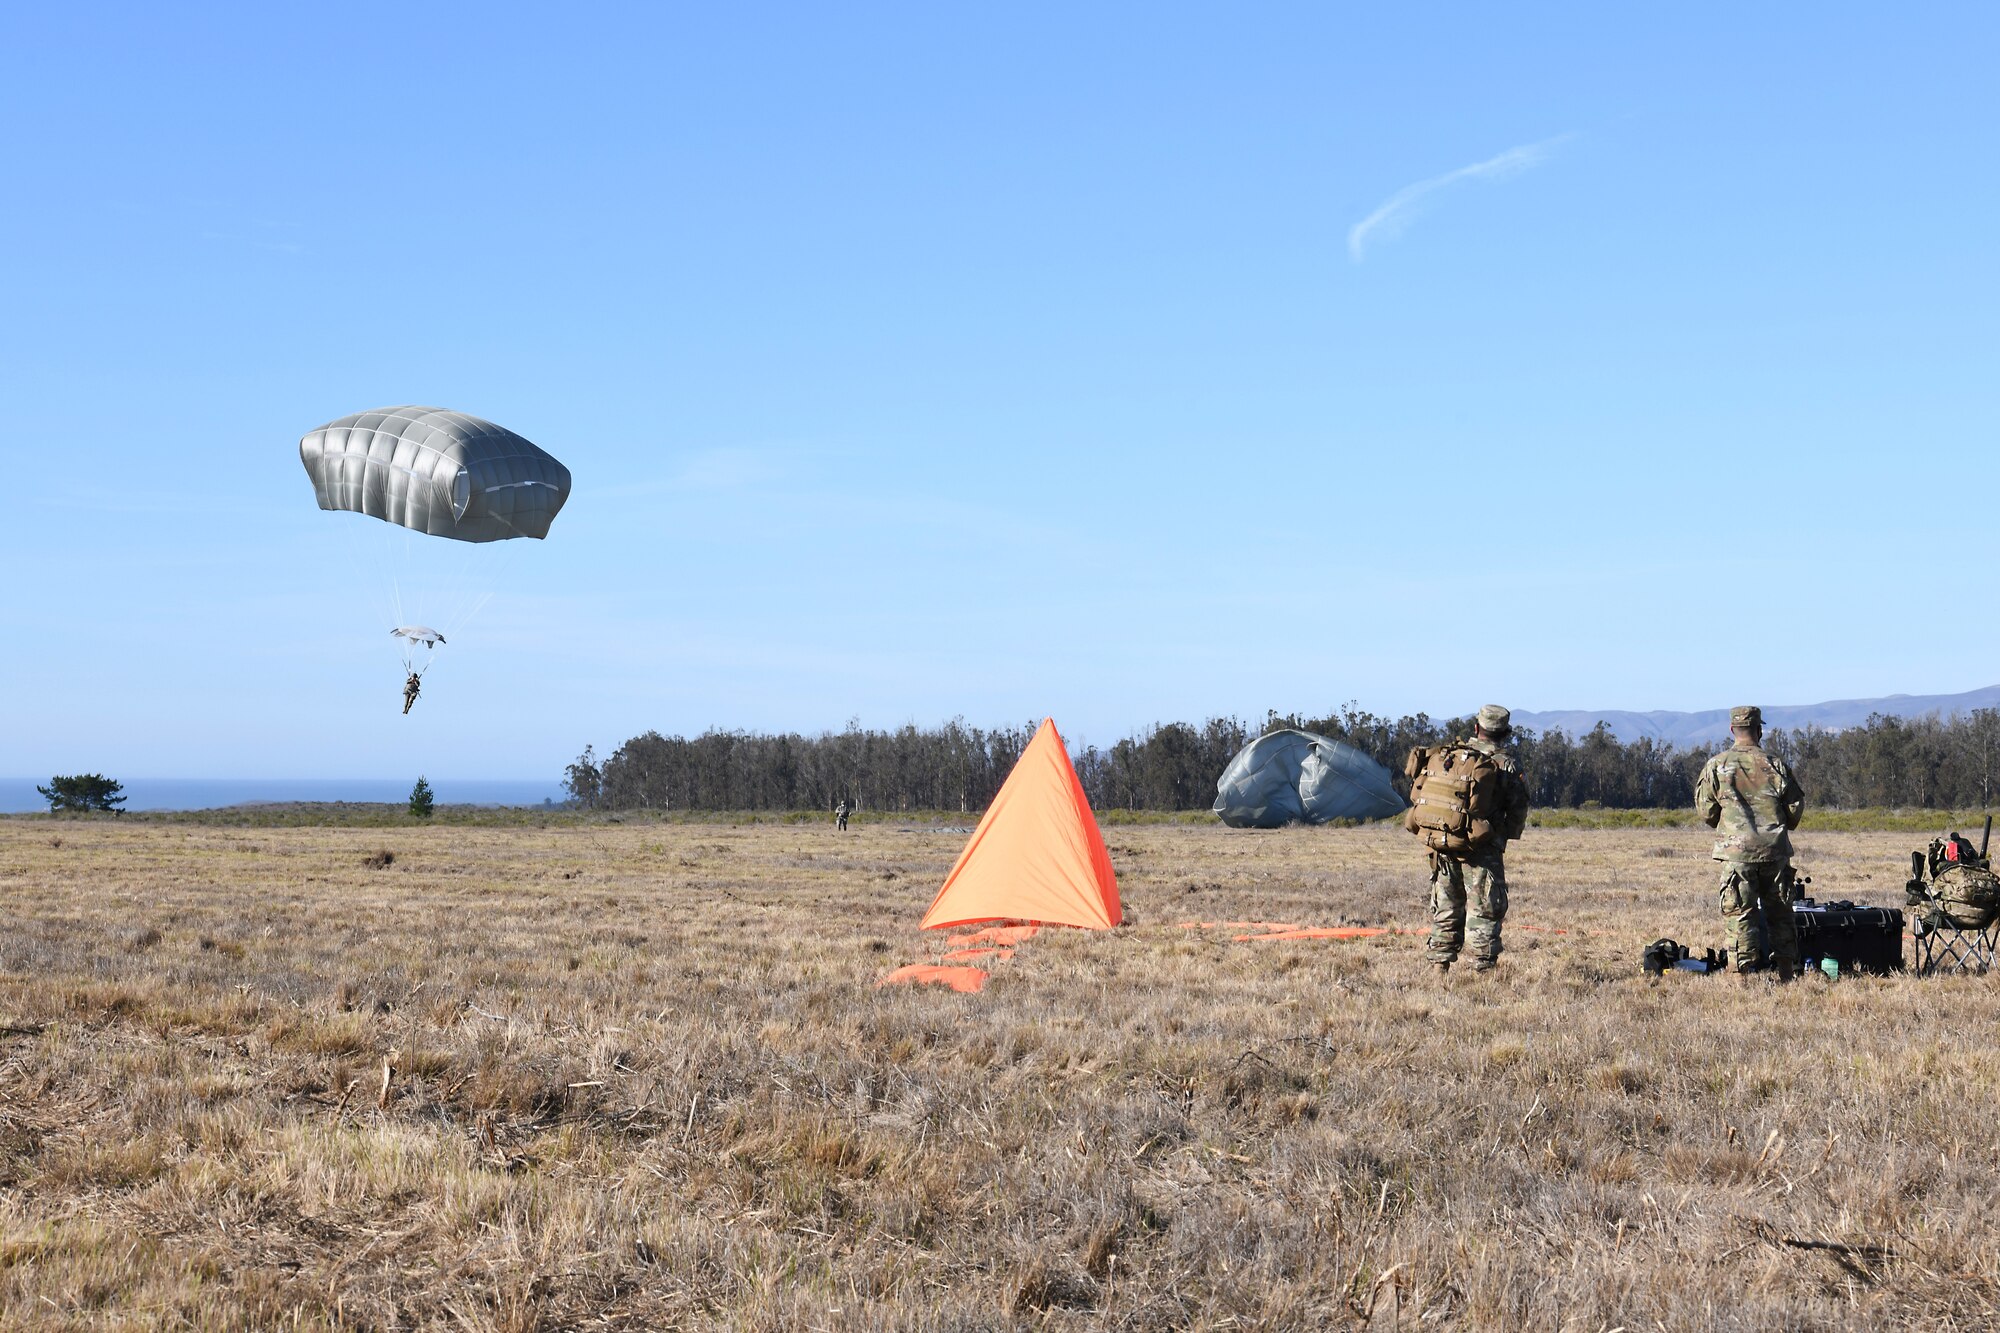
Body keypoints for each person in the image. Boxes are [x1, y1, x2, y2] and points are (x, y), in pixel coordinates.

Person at [1694, 705, 1805, 981]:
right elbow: (1794, 806)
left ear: (1732, 730)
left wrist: (1730, 826)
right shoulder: (1775, 764)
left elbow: (1706, 811)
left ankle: (1740, 979)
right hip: (1774, 852)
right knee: (1780, 913)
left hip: (1737, 855)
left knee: (1739, 915)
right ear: (1759, 730)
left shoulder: (1716, 766)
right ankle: (1786, 975)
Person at [1424, 704, 1531, 975]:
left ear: (1476, 728)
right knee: (1484, 908)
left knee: (1447, 905)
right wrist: (1504, 835)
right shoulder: (1506, 764)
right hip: (1483, 847)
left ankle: (1439, 967)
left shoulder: (1455, 755)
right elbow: (1518, 807)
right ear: (1505, 733)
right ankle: (1483, 971)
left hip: (1446, 841)